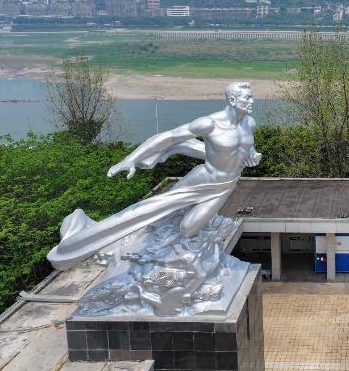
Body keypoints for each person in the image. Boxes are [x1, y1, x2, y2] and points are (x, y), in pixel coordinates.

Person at [47, 82, 262, 270]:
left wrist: (252, 157)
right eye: (247, 97)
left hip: (226, 185)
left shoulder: (248, 123)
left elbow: (243, 152)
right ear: (233, 99)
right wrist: (130, 159)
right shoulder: (210, 123)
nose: (252, 101)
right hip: (204, 178)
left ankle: (178, 252)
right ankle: (89, 239)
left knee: (188, 229)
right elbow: (168, 137)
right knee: (153, 210)